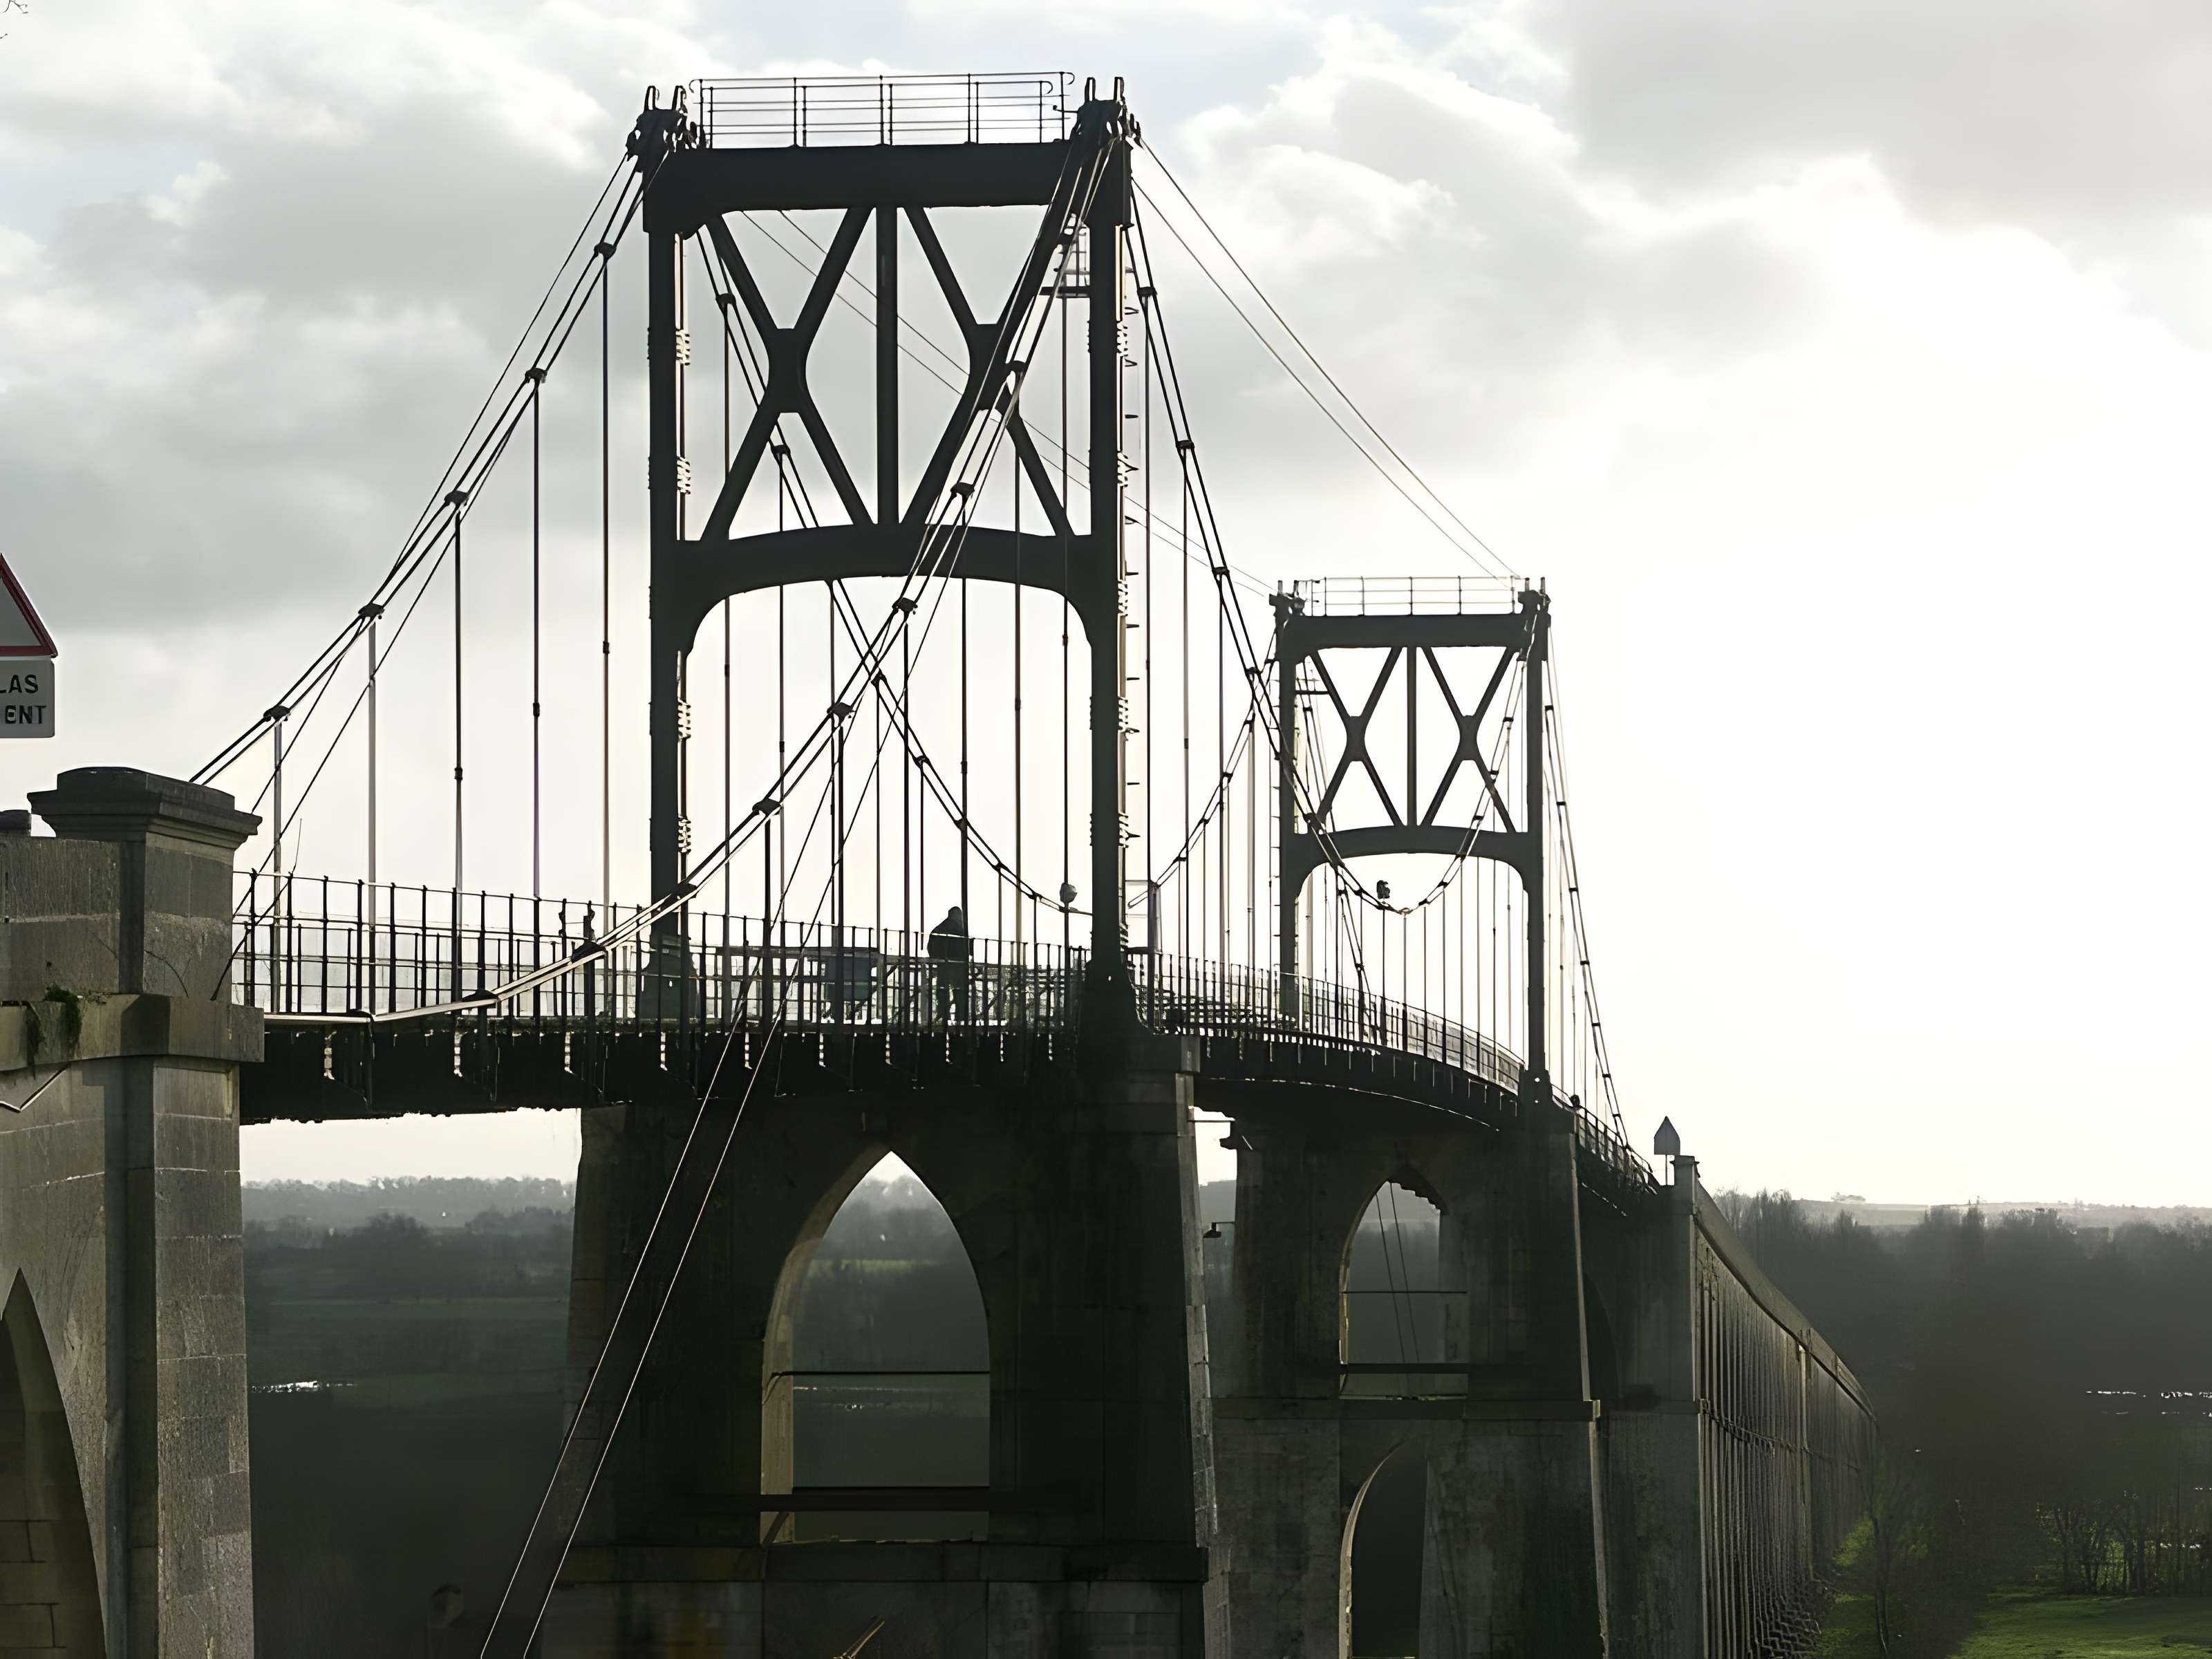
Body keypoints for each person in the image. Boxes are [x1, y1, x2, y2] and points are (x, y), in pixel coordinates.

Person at [928, 904, 971, 1023]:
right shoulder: (961, 930)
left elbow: (931, 947)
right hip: (958, 966)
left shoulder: (939, 929)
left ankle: (944, 1016)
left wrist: (938, 959)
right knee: (959, 992)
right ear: (955, 916)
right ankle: (960, 1017)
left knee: (943, 991)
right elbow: (968, 949)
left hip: (943, 965)